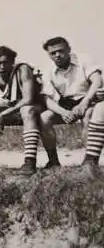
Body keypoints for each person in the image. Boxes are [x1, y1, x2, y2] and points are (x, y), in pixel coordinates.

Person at [0, 46, 44, 175]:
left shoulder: (23, 69)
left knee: (26, 110)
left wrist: (4, 113)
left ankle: (30, 162)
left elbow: (28, 99)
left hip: (34, 106)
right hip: (13, 107)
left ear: (12, 61)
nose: (2, 67)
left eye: (5, 62)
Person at [39, 36, 104, 174]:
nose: (57, 55)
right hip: (65, 105)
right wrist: (63, 112)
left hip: (87, 99)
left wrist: (84, 103)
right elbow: (47, 99)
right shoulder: (48, 70)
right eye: (53, 53)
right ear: (49, 55)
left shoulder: (84, 59)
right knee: (44, 118)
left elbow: (97, 81)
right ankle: (53, 161)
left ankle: (90, 162)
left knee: (89, 115)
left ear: (69, 49)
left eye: (61, 51)